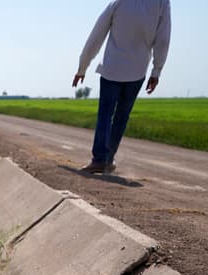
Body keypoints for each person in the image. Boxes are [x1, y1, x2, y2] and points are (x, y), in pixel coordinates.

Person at [72, 0, 171, 174]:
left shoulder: (119, 2)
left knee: (105, 114)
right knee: (121, 117)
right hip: (138, 70)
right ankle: (108, 159)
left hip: (112, 69)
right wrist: (156, 71)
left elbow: (96, 35)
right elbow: (163, 38)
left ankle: (100, 160)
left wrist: (82, 67)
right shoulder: (161, 3)